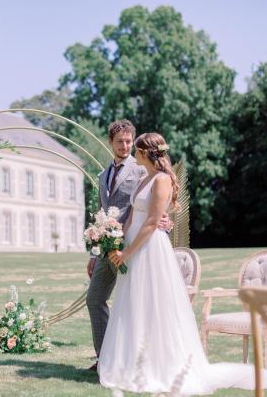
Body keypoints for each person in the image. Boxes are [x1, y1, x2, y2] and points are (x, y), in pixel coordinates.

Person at [98, 132, 267, 394]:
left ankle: (158, 366)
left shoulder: (163, 180)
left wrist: (127, 253)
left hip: (149, 250)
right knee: (133, 304)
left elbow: (153, 222)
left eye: (137, 149)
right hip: (132, 246)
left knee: (153, 305)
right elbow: (133, 216)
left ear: (144, 153)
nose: (134, 153)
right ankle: (132, 363)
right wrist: (119, 242)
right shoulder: (145, 177)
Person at [86, 120, 171, 372]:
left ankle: (137, 360)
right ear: (110, 142)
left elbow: (159, 202)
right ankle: (105, 358)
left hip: (135, 247)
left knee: (135, 305)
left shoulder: (143, 168)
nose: (125, 146)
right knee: (95, 299)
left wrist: (165, 222)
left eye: (128, 141)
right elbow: (103, 213)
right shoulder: (103, 175)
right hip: (107, 249)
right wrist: (94, 253)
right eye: (120, 141)